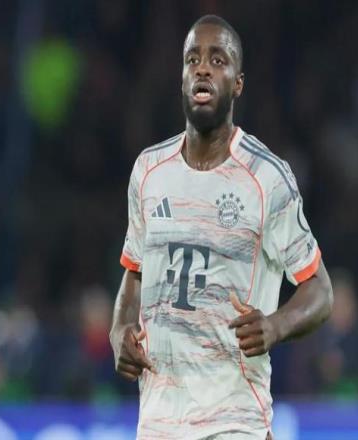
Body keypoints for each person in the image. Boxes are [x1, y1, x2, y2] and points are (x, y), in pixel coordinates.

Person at [109, 15, 333, 440]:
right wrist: (118, 330)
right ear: (182, 79)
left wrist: (276, 326)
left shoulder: (266, 178)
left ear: (238, 83)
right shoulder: (149, 171)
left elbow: (320, 290)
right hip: (158, 422)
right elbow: (134, 271)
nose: (203, 69)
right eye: (192, 59)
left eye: (217, 60)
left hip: (234, 421)